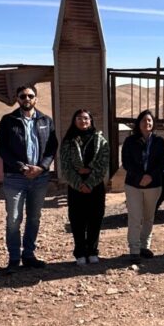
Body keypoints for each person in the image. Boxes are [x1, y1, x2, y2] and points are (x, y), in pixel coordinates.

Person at [0, 84, 58, 270]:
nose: (26, 99)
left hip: (39, 178)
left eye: (30, 96)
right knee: (14, 219)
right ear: (17, 99)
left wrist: (42, 167)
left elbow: (51, 147)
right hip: (15, 177)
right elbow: (2, 149)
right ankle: (14, 258)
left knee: (34, 217)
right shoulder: (8, 121)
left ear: (36, 99)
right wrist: (22, 167)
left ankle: (29, 254)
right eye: (22, 96)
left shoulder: (46, 120)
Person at [59, 109, 110, 266]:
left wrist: (89, 182)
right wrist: (79, 184)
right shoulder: (68, 141)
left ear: (91, 120)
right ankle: (80, 251)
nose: (83, 121)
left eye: (86, 118)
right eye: (79, 118)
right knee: (77, 220)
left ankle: (93, 251)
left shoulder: (100, 140)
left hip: (95, 186)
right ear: (74, 121)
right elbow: (65, 166)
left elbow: (103, 164)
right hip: (76, 187)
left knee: (95, 219)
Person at [121, 109, 164, 263]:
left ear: (153, 124)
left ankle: (144, 246)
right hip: (133, 185)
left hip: (153, 185)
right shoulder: (130, 141)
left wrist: (150, 176)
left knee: (148, 217)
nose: (146, 123)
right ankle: (134, 250)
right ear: (138, 123)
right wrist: (140, 176)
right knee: (135, 217)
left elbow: (162, 162)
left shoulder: (159, 142)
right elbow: (126, 162)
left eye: (149, 121)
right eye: (143, 120)